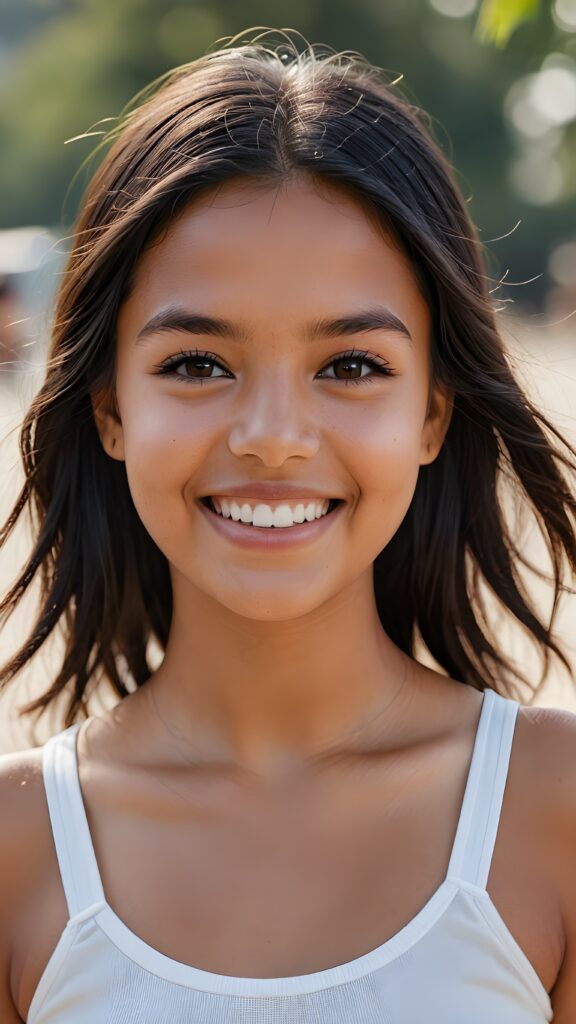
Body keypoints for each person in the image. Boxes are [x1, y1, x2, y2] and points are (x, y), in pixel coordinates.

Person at [0, 31, 575, 1023]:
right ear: (110, 410)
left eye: (351, 365)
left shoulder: (555, 809)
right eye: (197, 364)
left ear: (433, 414)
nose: (273, 438)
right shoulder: (18, 852)